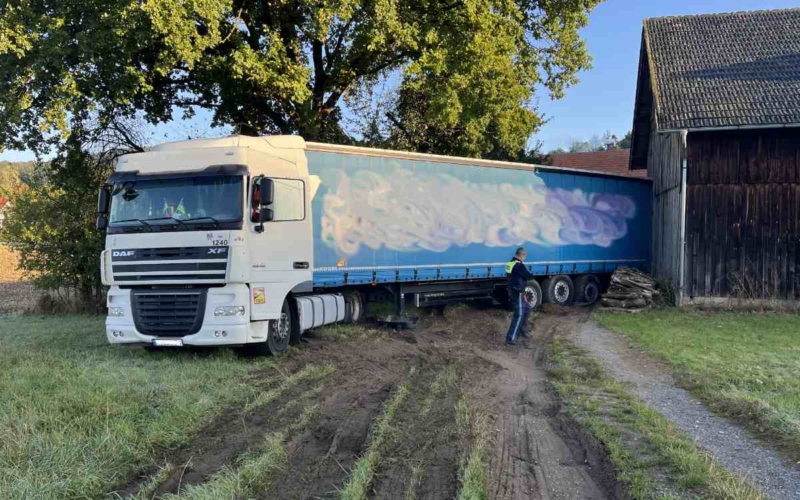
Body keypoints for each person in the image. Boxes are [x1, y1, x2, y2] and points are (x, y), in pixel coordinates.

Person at [505, 247, 535, 346]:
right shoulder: (519, 266)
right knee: (519, 315)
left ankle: (523, 331)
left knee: (527, 308)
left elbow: (514, 278)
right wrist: (530, 273)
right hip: (517, 293)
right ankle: (511, 338)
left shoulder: (511, 263)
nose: (525, 258)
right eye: (525, 256)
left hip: (515, 291)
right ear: (522, 255)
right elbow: (529, 276)